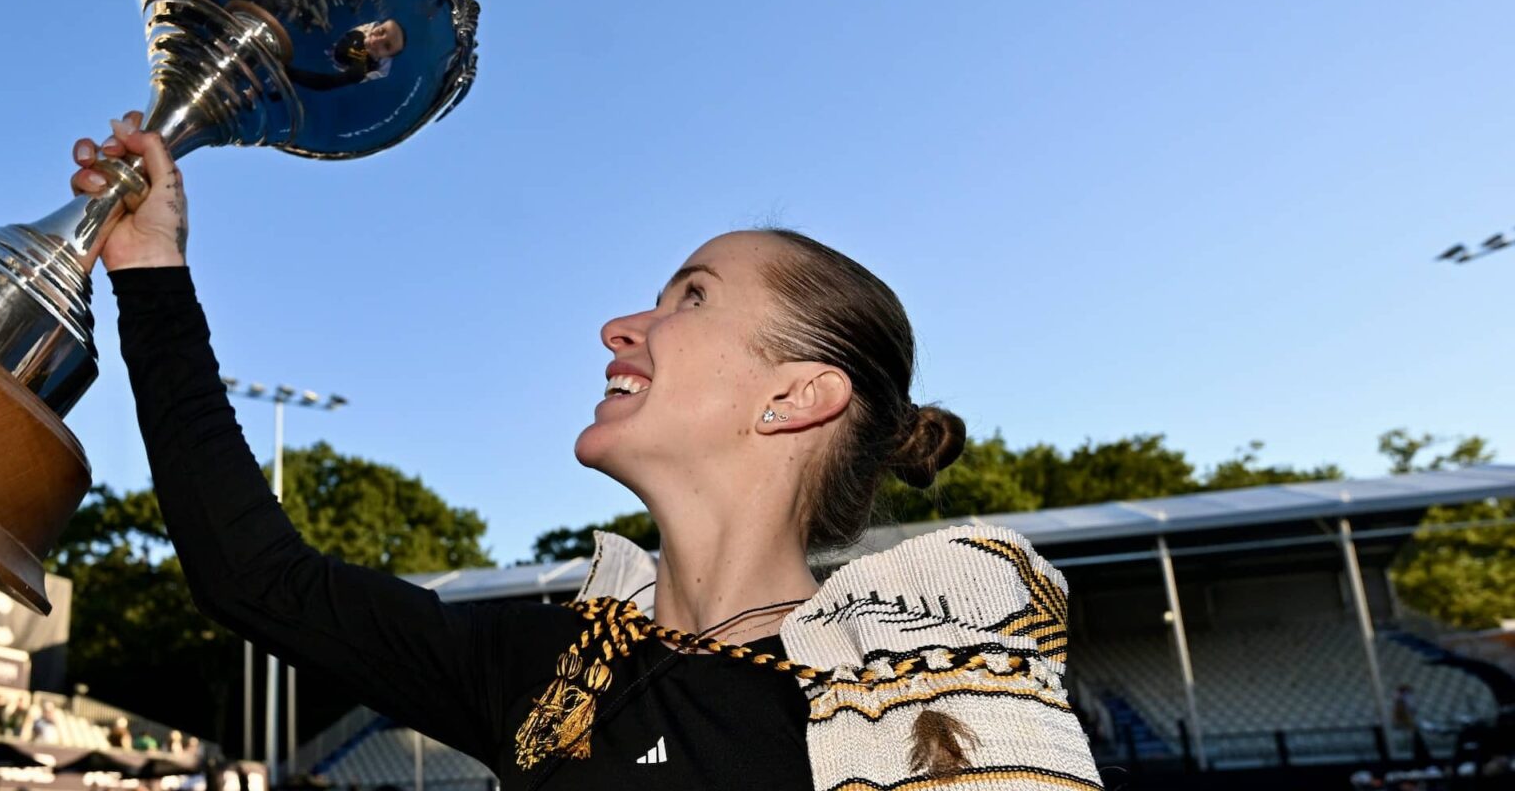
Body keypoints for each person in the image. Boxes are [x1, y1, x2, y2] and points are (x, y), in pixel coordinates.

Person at [69, 117, 1104, 789]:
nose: (621, 325)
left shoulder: (935, 707)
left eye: (690, 296)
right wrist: (151, 269)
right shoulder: (554, 663)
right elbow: (255, 576)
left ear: (797, 396)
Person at [288, 19, 405, 92]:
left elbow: (326, 83)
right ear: (378, 26)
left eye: (386, 46)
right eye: (381, 31)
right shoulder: (362, 32)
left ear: (387, 56)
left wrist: (351, 76)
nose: (376, 41)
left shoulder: (381, 71)